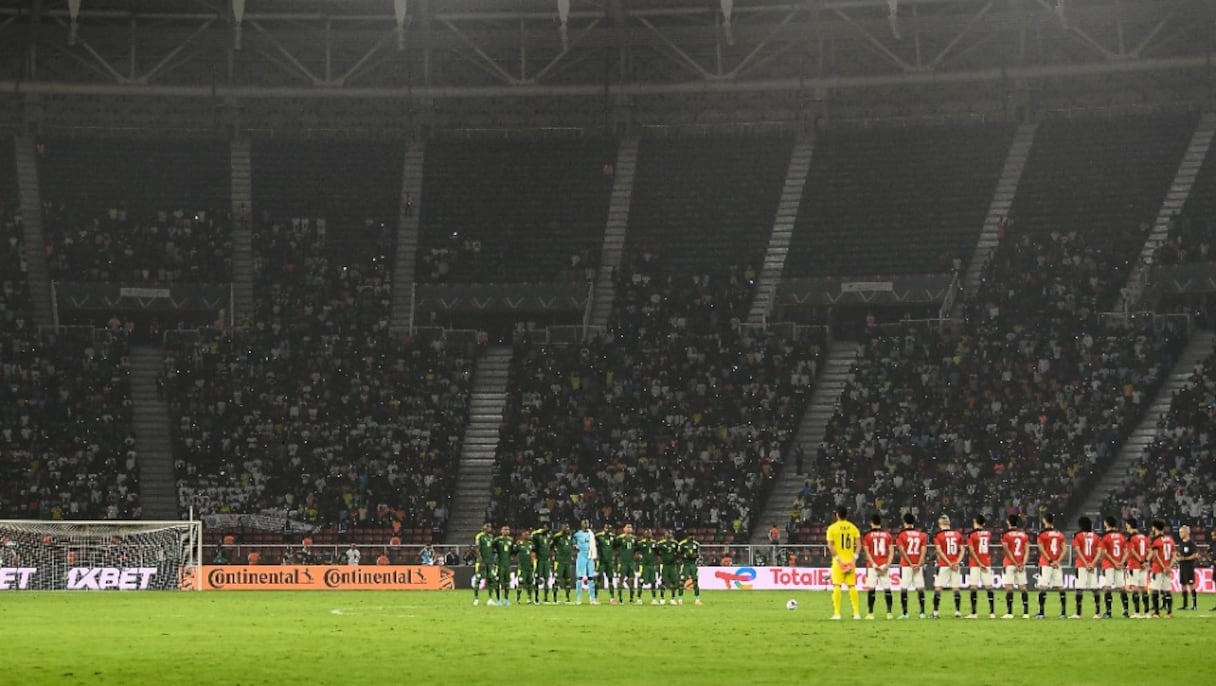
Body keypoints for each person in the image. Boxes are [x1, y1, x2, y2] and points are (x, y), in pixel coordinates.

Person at [825, 506, 862, 620]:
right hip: (850, 561)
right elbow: (859, 545)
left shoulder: (832, 528)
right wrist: (853, 560)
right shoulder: (853, 527)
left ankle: (837, 613)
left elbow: (830, 545)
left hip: (838, 562)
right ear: (847, 515)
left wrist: (838, 560)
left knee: (837, 585)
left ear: (837, 515)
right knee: (852, 586)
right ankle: (856, 613)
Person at [860, 513, 894, 619]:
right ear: (880, 523)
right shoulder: (888, 535)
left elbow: (867, 552)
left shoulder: (867, 535)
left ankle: (870, 613)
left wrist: (874, 564)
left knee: (871, 589)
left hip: (872, 566)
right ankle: (889, 613)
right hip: (884, 565)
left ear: (871, 523)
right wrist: (886, 565)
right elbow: (891, 552)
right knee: (887, 589)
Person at [895, 512, 928, 619]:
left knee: (904, 588)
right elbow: (923, 550)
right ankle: (922, 612)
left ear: (904, 522)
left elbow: (902, 551)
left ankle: (905, 613)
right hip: (918, 565)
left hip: (906, 565)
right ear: (914, 522)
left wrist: (910, 564)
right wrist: (918, 564)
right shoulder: (922, 535)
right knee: (920, 588)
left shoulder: (901, 535)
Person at [931, 514, 965, 619]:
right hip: (955, 565)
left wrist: (949, 563)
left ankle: (936, 612)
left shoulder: (938, 536)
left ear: (940, 524)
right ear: (949, 523)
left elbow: (939, 551)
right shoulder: (957, 534)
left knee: (938, 588)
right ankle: (958, 612)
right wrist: (957, 562)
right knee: (956, 589)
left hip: (944, 565)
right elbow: (963, 550)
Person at [1035, 513, 1067, 619]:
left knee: (1042, 586)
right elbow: (1064, 549)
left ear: (1044, 520)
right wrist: (1057, 561)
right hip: (1057, 564)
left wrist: (1050, 560)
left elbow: (1041, 548)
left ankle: (1041, 612)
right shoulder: (1059, 534)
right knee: (1060, 587)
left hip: (1046, 563)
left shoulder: (1042, 534)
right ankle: (1063, 613)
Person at [1000, 514, 1031, 619]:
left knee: (1009, 587)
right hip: (1021, 564)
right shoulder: (1024, 535)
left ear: (1008, 522)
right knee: (1023, 587)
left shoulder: (1005, 535)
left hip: (1009, 564)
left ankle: (1009, 613)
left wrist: (1015, 562)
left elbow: (1007, 551)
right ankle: (1026, 613)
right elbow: (1027, 550)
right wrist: (1023, 563)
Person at [1071, 516, 1102, 619]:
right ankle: (1097, 613)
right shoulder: (1096, 536)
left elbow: (1078, 551)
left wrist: (1085, 563)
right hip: (1092, 566)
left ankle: (1078, 613)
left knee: (1079, 589)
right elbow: (1099, 552)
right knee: (1094, 589)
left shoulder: (1078, 536)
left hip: (1081, 565)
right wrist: (1092, 563)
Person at [1098, 515, 1129, 618]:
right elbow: (1126, 551)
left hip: (1109, 565)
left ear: (1106, 523)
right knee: (1121, 588)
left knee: (1107, 587)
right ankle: (1125, 611)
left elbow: (1104, 553)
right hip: (1119, 565)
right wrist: (1121, 562)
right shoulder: (1121, 536)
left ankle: (1108, 612)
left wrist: (1114, 562)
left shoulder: (1105, 536)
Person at [965, 515, 995, 619]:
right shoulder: (988, 534)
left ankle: (974, 613)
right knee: (989, 587)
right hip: (986, 562)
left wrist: (979, 563)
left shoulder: (971, 535)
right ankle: (992, 613)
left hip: (975, 564)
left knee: (973, 587)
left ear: (975, 522)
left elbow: (972, 551)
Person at [1148, 519, 1176, 618]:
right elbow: (1174, 555)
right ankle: (1169, 613)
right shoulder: (1170, 539)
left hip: (1158, 568)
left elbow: (1155, 556)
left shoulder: (1155, 540)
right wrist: (1169, 567)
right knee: (1167, 590)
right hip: (1167, 569)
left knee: (1155, 590)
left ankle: (1156, 613)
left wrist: (1164, 567)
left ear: (1154, 527)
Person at [1125, 518, 1150, 618]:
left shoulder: (1131, 538)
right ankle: (1147, 613)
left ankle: (1137, 613)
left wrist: (1140, 561)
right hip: (1143, 566)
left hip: (1134, 565)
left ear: (1130, 525)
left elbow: (1132, 551)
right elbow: (1150, 551)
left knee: (1135, 588)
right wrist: (1146, 561)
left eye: (1126, 525)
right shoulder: (1144, 537)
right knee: (1143, 588)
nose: (1126, 527)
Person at [572, 520, 598, 605]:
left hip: (590, 557)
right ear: (581, 525)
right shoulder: (577, 534)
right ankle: (578, 598)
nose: (586, 524)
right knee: (579, 578)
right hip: (581, 557)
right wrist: (575, 548)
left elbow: (594, 545)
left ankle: (592, 599)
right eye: (584, 523)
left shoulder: (591, 534)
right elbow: (573, 543)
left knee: (591, 578)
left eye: (587, 523)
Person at [615, 524, 639, 605]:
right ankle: (620, 598)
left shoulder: (634, 538)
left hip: (631, 563)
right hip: (622, 562)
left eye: (631, 527)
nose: (629, 529)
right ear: (624, 529)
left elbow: (636, 549)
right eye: (628, 527)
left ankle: (631, 599)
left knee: (631, 580)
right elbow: (614, 547)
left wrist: (636, 555)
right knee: (621, 579)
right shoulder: (619, 538)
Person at [677, 531, 702, 606]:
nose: (691, 537)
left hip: (693, 565)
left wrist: (695, 556)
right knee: (682, 582)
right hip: (685, 565)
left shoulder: (696, 544)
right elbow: (678, 554)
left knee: (695, 582)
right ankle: (680, 599)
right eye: (690, 536)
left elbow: (698, 554)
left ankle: (697, 600)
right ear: (687, 537)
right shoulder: (682, 544)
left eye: (693, 536)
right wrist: (684, 556)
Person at [1176, 525, 1198, 611]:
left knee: (1191, 585)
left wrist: (1185, 558)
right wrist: (1177, 557)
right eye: (1179, 532)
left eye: (1181, 532)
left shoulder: (1191, 543)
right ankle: (1185, 605)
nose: (1180, 534)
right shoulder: (1181, 543)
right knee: (1183, 585)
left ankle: (1194, 605)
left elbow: (1195, 555)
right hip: (1182, 567)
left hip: (1189, 567)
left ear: (1186, 532)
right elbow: (1179, 554)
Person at [491, 525, 514, 606]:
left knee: (507, 582)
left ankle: (506, 599)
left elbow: (512, 551)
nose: (507, 531)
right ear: (501, 531)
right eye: (505, 529)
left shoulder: (511, 540)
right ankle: (498, 599)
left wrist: (511, 557)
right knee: (498, 582)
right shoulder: (497, 540)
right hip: (499, 564)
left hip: (507, 564)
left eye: (508, 529)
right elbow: (492, 549)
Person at [552, 523, 575, 604]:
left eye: (568, 527)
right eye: (566, 527)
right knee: (557, 580)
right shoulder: (558, 537)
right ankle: (555, 599)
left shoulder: (569, 538)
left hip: (567, 562)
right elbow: (553, 541)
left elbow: (570, 547)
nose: (568, 529)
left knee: (568, 581)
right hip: (560, 562)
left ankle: (567, 598)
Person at [656, 529, 680, 605]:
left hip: (672, 565)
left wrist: (676, 559)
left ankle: (672, 598)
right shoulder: (661, 543)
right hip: (664, 565)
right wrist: (661, 558)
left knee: (674, 582)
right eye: (667, 534)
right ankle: (662, 598)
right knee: (663, 581)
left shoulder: (675, 543)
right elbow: (656, 552)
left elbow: (678, 553)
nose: (668, 535)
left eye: (670, 534)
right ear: (665, 535)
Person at [531, 525, 554, 604]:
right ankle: (536, 598)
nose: (546, 529)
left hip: (546, 561)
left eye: (547, 527)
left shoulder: (549, 536)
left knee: (547, 579)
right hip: (539, 560)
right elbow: (533, 547)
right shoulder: (536, 535)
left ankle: (546, 598)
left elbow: (550, 547)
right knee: (537, 579)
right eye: (544, 527)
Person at [473, 522, 495, 606]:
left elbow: (492, 549)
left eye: (490, 526)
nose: (489, 528)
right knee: (478, 579)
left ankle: (490, 599)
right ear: (484, 527)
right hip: (482, 562)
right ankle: (476, 598)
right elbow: (477, 548)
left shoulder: (491, 537)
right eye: (487, 526)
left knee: (491, 579)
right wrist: (480, 559)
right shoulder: (479, 536)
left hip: (490, 562)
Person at [595, 524, 617, 604]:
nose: (608, 530)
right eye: (607, 528)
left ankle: (612, 598)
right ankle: (595, 597)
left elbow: (615, 547)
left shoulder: (613, 537)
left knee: (610, 580)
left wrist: (614, 556)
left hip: (609, 562)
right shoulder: (598, 536)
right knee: (598, 579)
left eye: (609, 528)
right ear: (604, 529)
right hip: (601, 561)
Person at [637, 528, 659, 604]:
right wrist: (639, 556)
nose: (648, 534)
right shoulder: (640, 543)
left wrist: (656, 562)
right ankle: (639, 598)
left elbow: (657, 553)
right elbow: (635, 551)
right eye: (647, 533)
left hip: (652, 565)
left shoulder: (655, 543)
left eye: (649, 533)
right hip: (644, 565)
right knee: (641, 581)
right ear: (644, 535)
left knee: (653, 582)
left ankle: (654, 599)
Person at [514, 530, 535, 605]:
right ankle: (518, 599)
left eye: (528, 534)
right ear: (522, 535)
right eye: (525, 534)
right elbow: (513, 552)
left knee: (530, 583)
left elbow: (533, 553)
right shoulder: (519, 543)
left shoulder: (530, 544)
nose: (527, 535)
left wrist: (533, 562)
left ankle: (529, 599)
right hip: (522, 567)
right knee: (521, 583)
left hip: (529, 567)